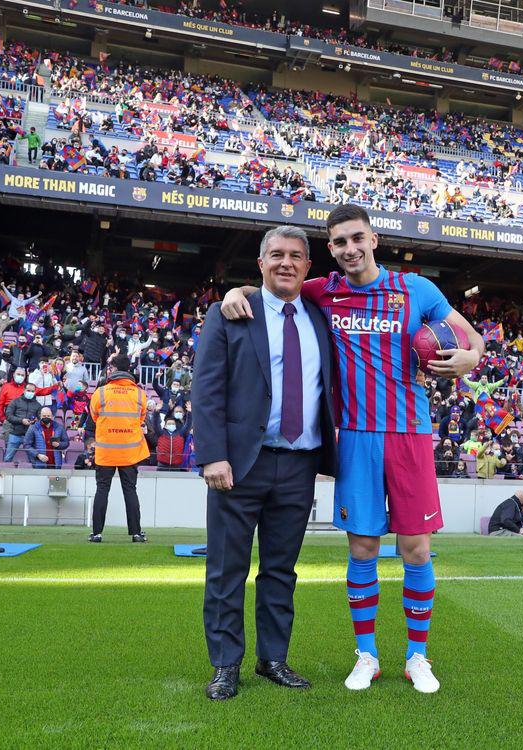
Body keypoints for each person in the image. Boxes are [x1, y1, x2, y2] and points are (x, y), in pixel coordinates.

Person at [220, 204, 484, 694]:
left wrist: (469, 357)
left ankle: (417, 656)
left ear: (374, 239)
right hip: (356, 436)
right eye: (339, 242)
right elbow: (275, 290)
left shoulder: (416, 289)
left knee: (416, 548)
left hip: (410, 434)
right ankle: (367, 655)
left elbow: (475, 339)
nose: (349, 249)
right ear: (331, 248)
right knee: (362, 546)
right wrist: (237, 291)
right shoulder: (325, 291)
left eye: (357, 238)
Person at [194, 225, 337, 701]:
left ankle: (272, 658)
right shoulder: (231, 312)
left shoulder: (321, 317)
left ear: (307, 267)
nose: (286, 263)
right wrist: (212, 455)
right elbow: (208, 391)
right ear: (260, 264)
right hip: (239, 466)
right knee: (226, 570)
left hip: (299, 466)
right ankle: (225, 664)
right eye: (276, 254)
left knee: (281, 571)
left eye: (296, 256)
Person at [88, 353, 150, 543]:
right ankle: (136, 533)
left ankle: (97, 533)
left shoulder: (101, 392)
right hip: (130, 452)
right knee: (130, 490)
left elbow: (94, 416)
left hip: (106, 451)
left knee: (102, 490)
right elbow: (141, 419)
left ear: (114, 369)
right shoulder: (140, 393)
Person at [3, 383, 42, 462]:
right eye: (28, 390)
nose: (30, 392)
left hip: (30, 436)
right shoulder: (15, 402)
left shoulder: (38, 405)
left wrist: (36, 421)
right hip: (15, 434)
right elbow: (8, 416)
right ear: (24, 390)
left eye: (32, 391)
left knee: (33, 460)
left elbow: (40, 419)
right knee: (7, 458)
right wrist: (21, 420)